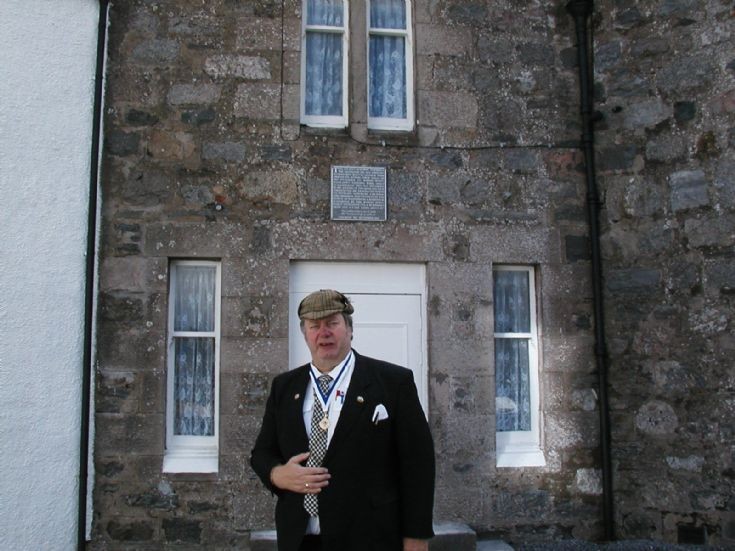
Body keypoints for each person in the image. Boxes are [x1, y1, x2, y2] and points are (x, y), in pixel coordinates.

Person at [251, 289, 435, 551]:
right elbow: (261, 452)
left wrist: (416, 537)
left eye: (332, 323)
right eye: (315, 325)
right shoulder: (284, 387)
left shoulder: (393, 382)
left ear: (349, 329)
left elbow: (418, 465)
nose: (323, 332)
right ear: (305, 334)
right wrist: (276, 474)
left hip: (370, 538)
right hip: (300, 538)